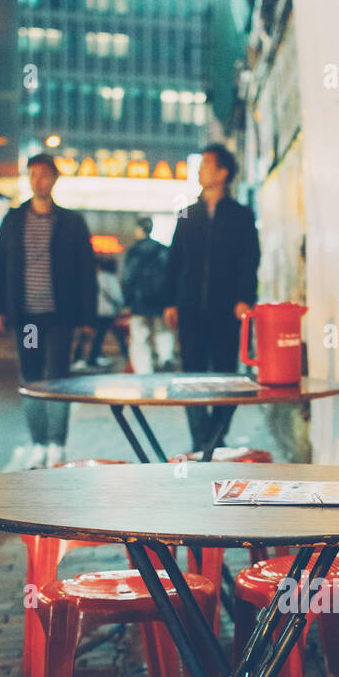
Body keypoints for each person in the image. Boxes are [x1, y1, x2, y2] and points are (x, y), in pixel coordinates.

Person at [0, 153, 97, 470]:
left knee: (59, 378)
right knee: (33, 377)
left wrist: (87, 318)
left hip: (59, 317)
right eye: (33, 174)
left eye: (44, 174)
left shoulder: (71, 222)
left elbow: (85, 271)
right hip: (29, 319)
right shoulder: (14, 219)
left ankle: (57, 444)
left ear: (54, 179)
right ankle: (38, 442)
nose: (38, 180)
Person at [163, 144, 260, 454]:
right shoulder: (187, 213)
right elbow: (174, 259)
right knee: (191, 377)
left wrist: (245, 298)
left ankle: (216, 437)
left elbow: (249, 261)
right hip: (190, 308)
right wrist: (170, 301)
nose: (200, 170)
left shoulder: (241, 216)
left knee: (227, 378)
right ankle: (201, 441)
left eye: (206, 164)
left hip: (227, 310)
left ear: (223, 173)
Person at [122, 217, 174, 374]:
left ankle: (144, 371)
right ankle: (166, 358)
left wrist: (127, 299)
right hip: (160, 301)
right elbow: (170, 275)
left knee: (139, 338)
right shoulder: (162, 249)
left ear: (139, 229)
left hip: (139, 302)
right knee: (162, 331)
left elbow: (127, 277)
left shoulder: (134, 251)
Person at [73, 257, 129, 369]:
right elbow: (116, 295)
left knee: (97, 335)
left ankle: (89, 357)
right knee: (109, 335)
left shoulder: (95, 276)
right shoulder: (110, 278)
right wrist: (122, 304)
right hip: (107, 311)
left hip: (96, 310)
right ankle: (125, 355)